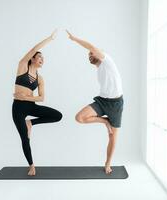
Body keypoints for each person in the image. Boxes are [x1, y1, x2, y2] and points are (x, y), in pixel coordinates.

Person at [66, 30, 124, 174]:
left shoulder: (107, 60)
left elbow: (92, 47)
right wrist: (104, 121)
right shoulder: (99, 69)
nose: (90, 55)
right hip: (102, 101)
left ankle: (107, 163)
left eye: (92, 53)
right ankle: (105, 121)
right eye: (89, 55)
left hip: (116, 104)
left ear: (99, 54)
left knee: (112, 136)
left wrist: (74, 39)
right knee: (79, 117)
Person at [12, 30, 62, 176]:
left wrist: (26, 97)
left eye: (43, 58)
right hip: (18, 108)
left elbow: (41, 98)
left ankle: (31, 123)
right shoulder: (22, 66)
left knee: (57, 116)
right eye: (39, 57)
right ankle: (32, 165)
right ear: (32, 59)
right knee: (24, 138)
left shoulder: (40, 79)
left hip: (30, 105)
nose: (42, 59)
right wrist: (50, 39)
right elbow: (34, 48)